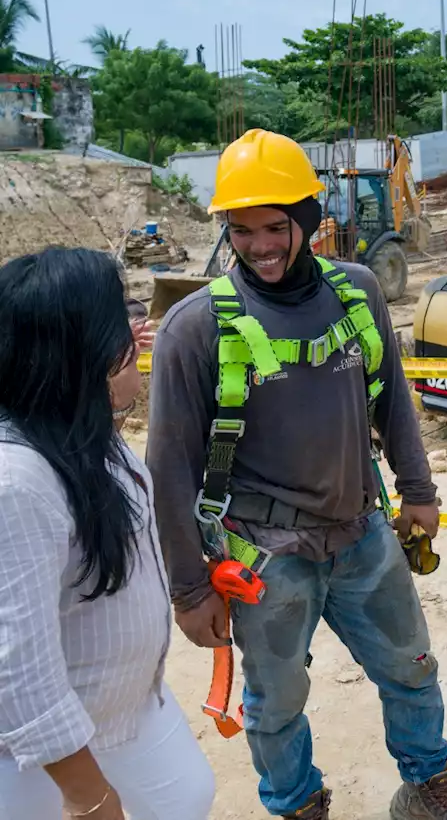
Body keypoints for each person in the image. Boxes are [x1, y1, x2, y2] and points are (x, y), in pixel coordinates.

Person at [146, 129, 447, 820]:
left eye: (275, 227)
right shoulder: (195, 328)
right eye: (242, 231)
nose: (260, 245)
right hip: (265, 557)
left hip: (363, 536)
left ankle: (427, 791)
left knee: (412, 670)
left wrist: (418, 490)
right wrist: (186, 587)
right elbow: (168, 469)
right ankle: (299, 807)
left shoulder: (355, 294)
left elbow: (392, 398)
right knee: (275, 705)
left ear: (307, 217)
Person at [0, 246, 216, 820]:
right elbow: (21, 672)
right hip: (43, 764)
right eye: (118, 320)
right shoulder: (17, 484)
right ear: (76, 353)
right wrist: (89, 797)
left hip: (124, 715)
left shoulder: (87, 435)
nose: (136, 331)